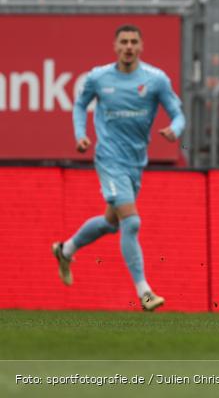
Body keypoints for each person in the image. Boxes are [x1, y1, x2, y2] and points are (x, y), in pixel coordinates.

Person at [53, 24, 184, 311]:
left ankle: (65, 250)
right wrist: (80, 135)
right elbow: (79, 105)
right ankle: (145, 292)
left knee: (111, 223)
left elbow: (177, 113)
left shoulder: (155, 79)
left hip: (135, 162)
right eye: (123, 41)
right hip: (108, 158)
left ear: (140, 46)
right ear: (115, 46)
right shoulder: (99, 77)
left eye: (133, 42)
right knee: (132, 221)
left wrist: (175, 130)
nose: (128, 46)